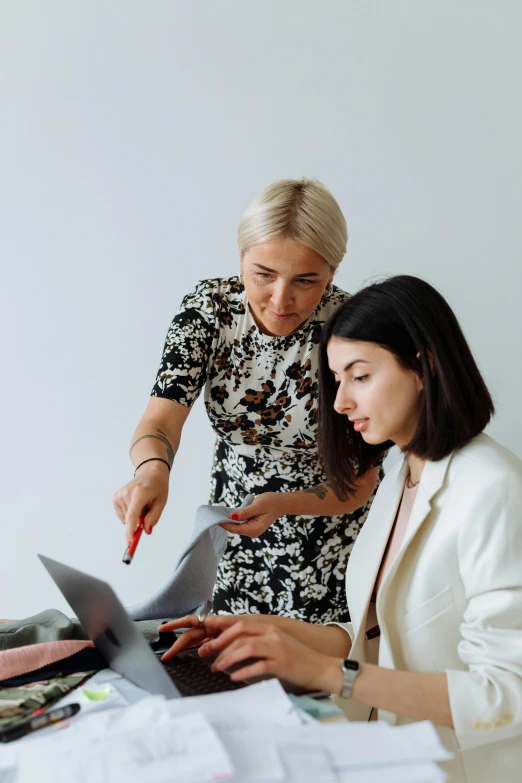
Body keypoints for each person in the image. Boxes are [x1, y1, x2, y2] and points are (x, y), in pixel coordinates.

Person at [161, 276, 522, 783]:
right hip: (389, 753)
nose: (339, 403)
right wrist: (265, 631)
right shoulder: (401, 474)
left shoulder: (494, 487)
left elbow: (509, 693)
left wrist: (327, 674)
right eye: (337, 379)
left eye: (359, 376)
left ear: (425, 366)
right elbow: (376, 636)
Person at [112, 178, 381, 623]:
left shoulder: (353, 329)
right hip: (234, 529)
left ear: (333, 270)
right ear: (240, 258)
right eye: (263, 275)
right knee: (225, 664)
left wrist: (282, 502)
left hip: (332, 536)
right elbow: (160, 420)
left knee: (321, 678)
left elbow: (360, 482)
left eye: (306, 280)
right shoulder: (209, 310)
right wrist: (151, 471)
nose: (281, 299)